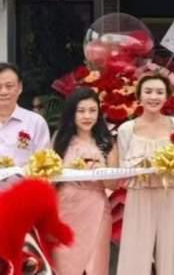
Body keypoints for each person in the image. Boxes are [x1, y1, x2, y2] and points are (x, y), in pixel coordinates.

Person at [116, 73, 174, 275]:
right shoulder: (126, 129)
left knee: (168, 250)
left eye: (159, 92)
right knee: (135, 249)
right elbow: (123, 168)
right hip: (139, 194)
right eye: (148, 92)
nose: (153, 97)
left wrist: (171, 164)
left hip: (170, 192)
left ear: (166, 97)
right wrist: (143, 165)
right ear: (139, 96)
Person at [52, 87, 117, 275]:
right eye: (81, 111)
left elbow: (113, 185)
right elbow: (48, 176)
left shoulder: (107, 142)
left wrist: (101, 171)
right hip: (65, 208)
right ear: (72, 113)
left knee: (95, 263)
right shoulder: (60, 140)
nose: (87, 116)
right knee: (64, 264)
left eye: (92, 110)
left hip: (96, 208)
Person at [0, 62, 50, 166]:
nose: (3, 92)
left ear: (20, 87)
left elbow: (44, 164)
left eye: (9, 86)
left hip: (25, 177)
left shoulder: (35, 122)